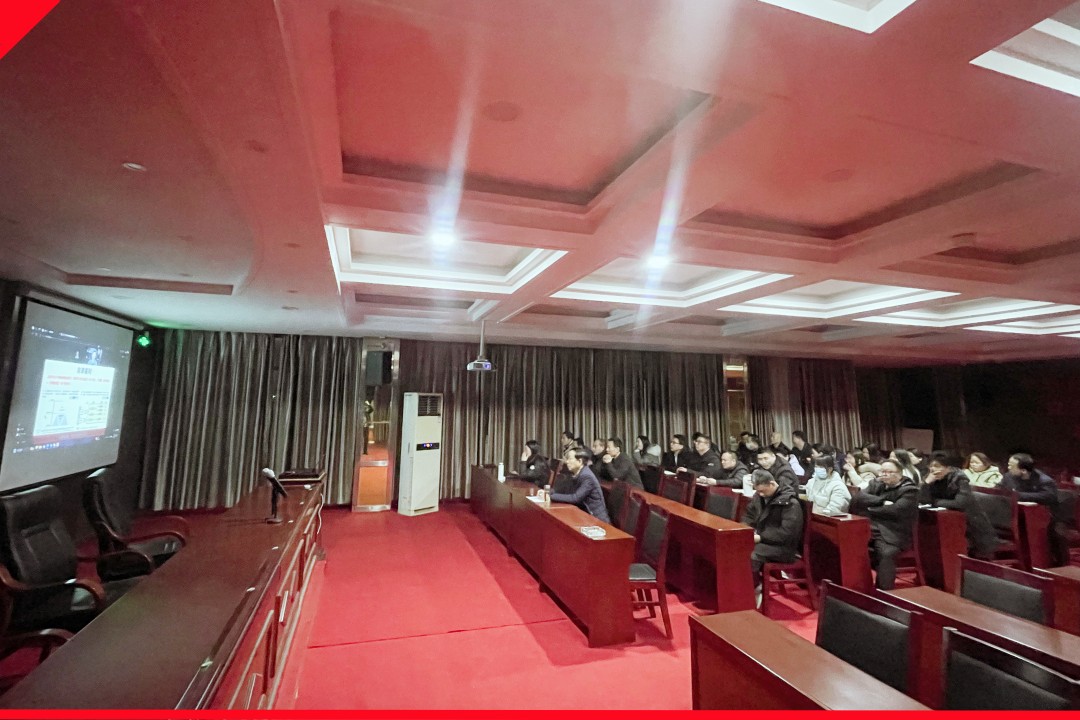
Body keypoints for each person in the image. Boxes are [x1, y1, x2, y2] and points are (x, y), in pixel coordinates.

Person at [849, 459, 919, 590]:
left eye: (889, 472)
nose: (884, 474)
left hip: (894, 532)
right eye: (882, 471)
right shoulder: (876, 483)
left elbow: (896, 510)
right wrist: (882, 501)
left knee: (886, 554)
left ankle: (884, 592)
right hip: (874, 527)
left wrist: (870, 509)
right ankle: (856, 587)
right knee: (851, 544)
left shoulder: (909, 490)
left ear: (899, 474)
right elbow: (859, 498)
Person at [920, 451, 998, 559]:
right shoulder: (932, 478)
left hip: (970, 524)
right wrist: (926, 483)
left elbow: (960, 503)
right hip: (947, 520)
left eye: (937, 466)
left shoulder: (960, 478)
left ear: (948, 467)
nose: (933, 469)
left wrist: (935, 502)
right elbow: (922, 500)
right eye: (931, 466)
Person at [741, 469, 804, 595]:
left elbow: (787, 532)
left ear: (771, 484)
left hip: (783, 547)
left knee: (751, 554)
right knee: (738, 548)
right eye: (757, 491)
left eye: (762, 491)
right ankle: (740, 586)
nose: (760, 494)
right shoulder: (759, 497)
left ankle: (751, 590)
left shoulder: (790, 502)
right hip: (763, 540)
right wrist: (745, 529)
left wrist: (761, 537)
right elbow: (749, 516)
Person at [550, 448, 610, 523]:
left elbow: (575, 498)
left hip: (597, 520)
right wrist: (549, 492)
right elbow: (563, 489)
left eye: (570, 459)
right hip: (584, 516)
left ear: (580, 461)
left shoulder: (587, 477)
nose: (567, 461)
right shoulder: (575, 473)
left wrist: (551, 496)